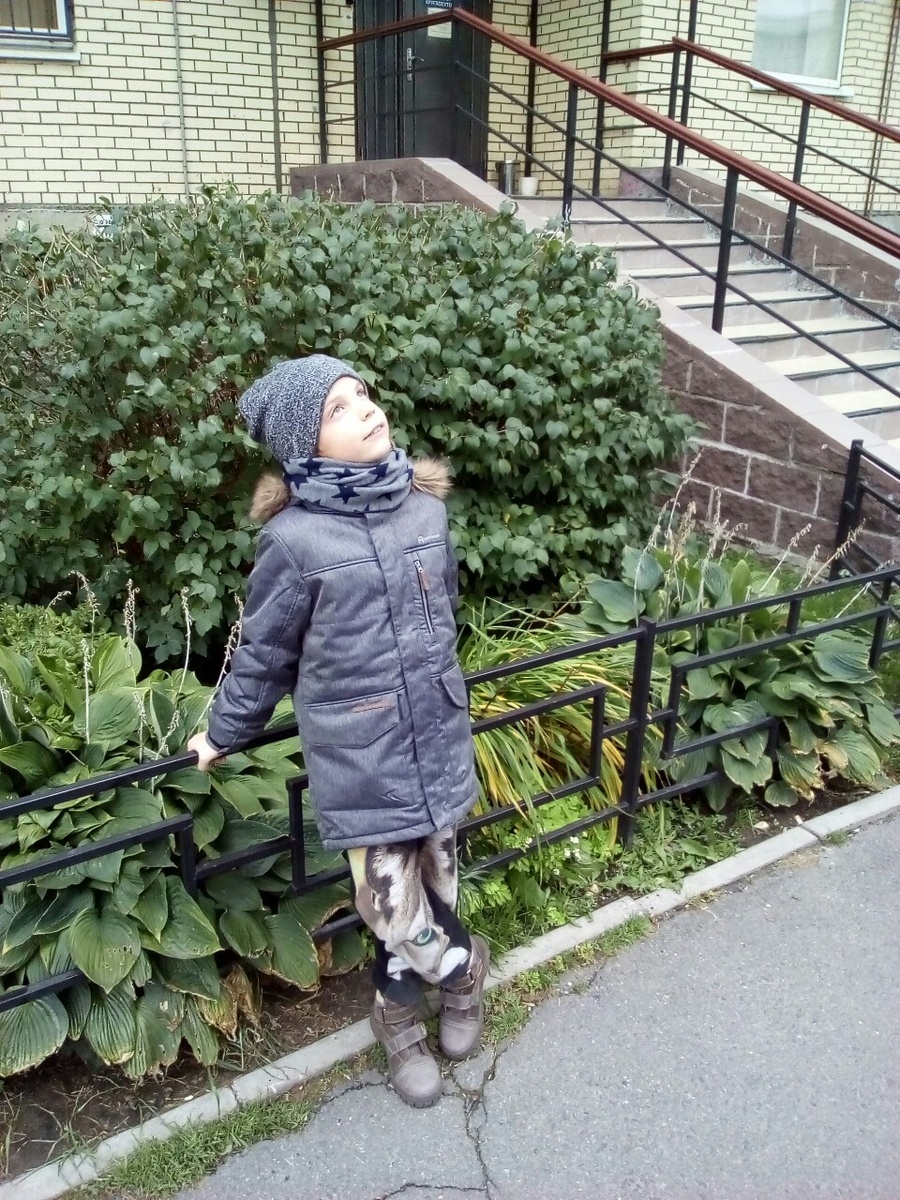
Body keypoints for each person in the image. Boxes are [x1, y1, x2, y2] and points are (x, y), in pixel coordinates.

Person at [187, 354, 488, 1109]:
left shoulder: (425, 511)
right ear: (306, 443)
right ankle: (462, 970)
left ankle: (402, 1015)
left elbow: (445, 612)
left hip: (437, 734)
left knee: (438, 880)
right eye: (337, 408)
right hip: (361, 756)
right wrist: (224, 731)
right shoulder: (294, 541)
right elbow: (265, 652)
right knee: (389, 903)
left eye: (362, 394)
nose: (364, 410)